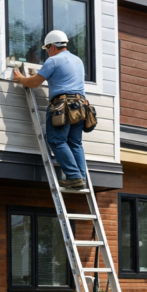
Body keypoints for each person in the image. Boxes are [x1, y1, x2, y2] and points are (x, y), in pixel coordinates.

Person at [13, 30, 89, 188]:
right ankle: (81, 177)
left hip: (63, 105)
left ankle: (74, 176)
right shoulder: (77, 61)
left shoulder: (53, 61)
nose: (47, 53)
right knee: (75, 142)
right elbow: (62, 79)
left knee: (57, 140)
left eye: (47, 49)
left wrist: (20, 78)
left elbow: (34, 83)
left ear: (52, 46)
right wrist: (39, 74)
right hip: (80, 105)